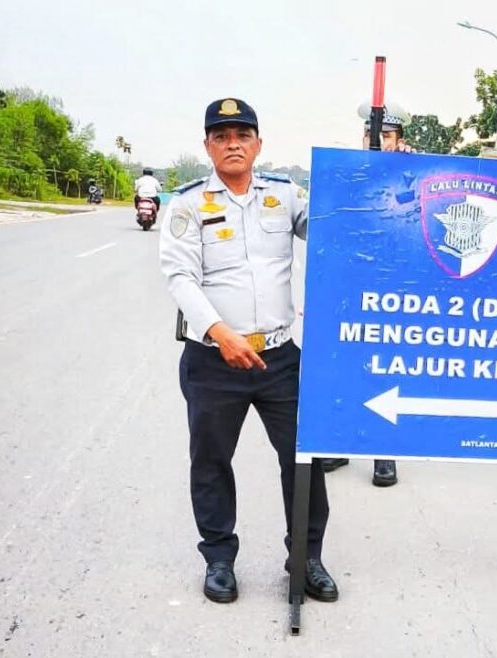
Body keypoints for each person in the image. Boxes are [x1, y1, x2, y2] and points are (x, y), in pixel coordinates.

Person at [159, 98, 337, 604]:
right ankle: (219, 558)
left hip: (280, 358)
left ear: (258, 143)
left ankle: (306, 557)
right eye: (221, 135)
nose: (232, 143)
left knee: (304, 460)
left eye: (242, 134)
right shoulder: (189, 204)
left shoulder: (285, 196)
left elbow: (333, 230)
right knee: (211, 460)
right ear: (208, 146)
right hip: (213, 360)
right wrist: (220, 332)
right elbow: (180, 277)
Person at [320, 100, 413, 487]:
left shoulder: (410, 174)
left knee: (385, 368)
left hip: (390, 287)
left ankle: (383, 452)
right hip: (349, 283)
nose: (377, 141)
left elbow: (414, 217)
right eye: (372, 135)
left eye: (386, 136)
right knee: (345, 366)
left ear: (400, 140)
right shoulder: (348, 173)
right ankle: (340, 443)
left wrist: (408, 169)